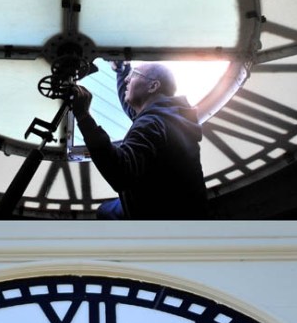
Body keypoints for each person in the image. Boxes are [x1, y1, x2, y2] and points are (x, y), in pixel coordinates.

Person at [71, 61, 208, 219]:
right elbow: (133, 108)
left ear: (153, 86)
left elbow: (121, 172)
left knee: (105, 212)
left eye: (133, 75)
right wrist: (122, 70)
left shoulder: (152, 123)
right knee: (106, 211)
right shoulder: (167, 118)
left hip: (159, 219)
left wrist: (83, 116)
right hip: (183, 211)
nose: (127, 80)